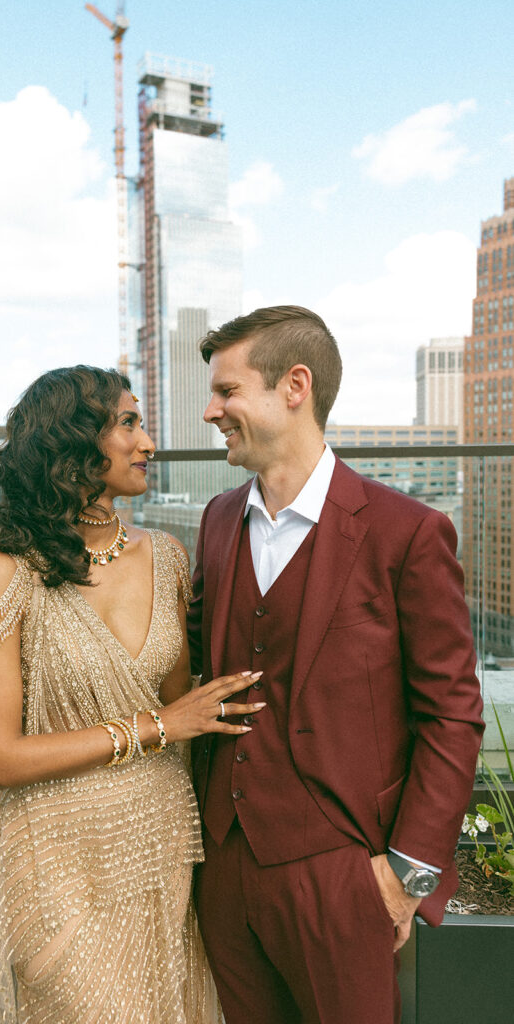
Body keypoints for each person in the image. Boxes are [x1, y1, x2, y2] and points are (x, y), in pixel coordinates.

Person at [188, 306, 485, 1024]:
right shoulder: (218, 520)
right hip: (224, 870)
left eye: (226, 391)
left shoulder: (406, 532)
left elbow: (452, 712)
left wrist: (406, 873)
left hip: (342, 870)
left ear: (294, 386)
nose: (210, 411)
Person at [0, 365, 265, 1024]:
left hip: (159, 850)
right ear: (70, 444)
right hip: (55, 864)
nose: (147, 442)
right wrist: (155, 727)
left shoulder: (167, 559)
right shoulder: (0, 576)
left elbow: (184, 710)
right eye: (128, 423)